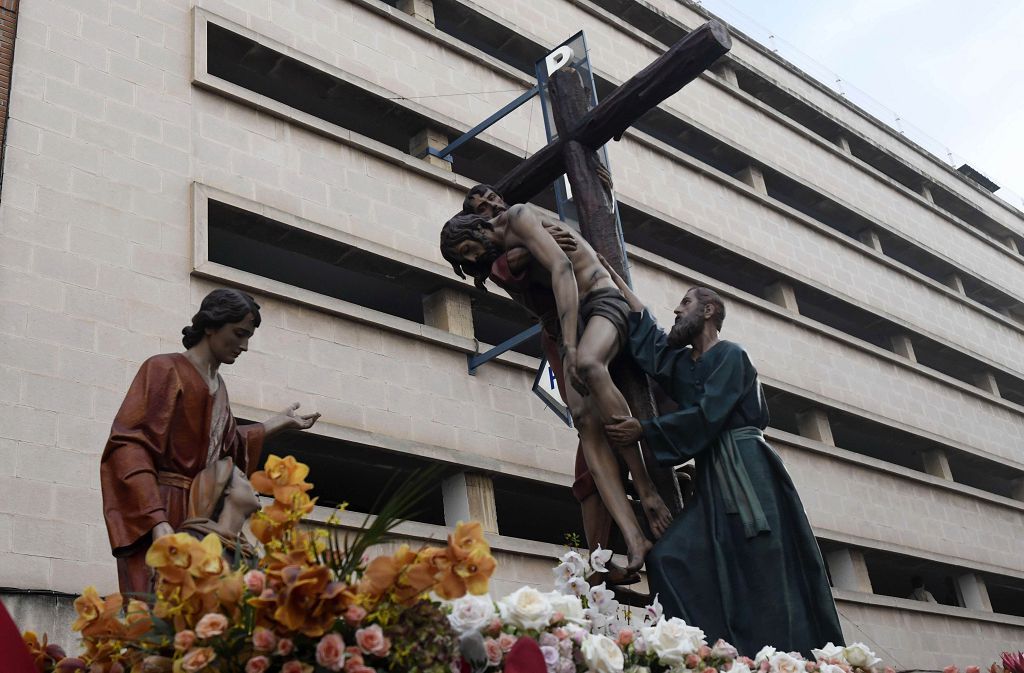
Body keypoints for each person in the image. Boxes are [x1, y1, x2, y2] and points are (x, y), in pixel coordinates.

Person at [600, 259, 845, 655]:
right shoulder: (685, 363)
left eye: (685, 303)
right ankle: (702, 655)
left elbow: (709, 414)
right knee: (668, 559)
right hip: (714, 475)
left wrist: (644, 430)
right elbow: (654, 346)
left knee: (763, 570)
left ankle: (782, 658)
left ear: (709, 310)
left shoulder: (733, 356)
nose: (677, 311)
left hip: (748, 471)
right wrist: (615, 284)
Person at [441, 186, 672, 573]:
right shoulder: (499, 263)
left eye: (468, 248)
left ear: (477, 226)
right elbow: (535, 273)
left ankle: (648, 492)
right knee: (585, 424)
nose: (473, 257)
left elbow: (564, 268)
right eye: (465, 259)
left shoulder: (519, 214)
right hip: (570, 326)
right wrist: (534, 251)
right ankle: (635, 539)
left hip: (598, 301)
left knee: (591, 366)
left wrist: (568, 347)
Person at [100, 288, 321, 595]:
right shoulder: (165, 369)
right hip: (164, 503)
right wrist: (156, 521)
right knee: (161, 607)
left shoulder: (219, 386)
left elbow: (226, 451)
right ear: (210, 325)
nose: (243, 346)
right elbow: (130, 447)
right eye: (239, 333)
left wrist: (276, 425)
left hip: (202, 514)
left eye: (248, 337)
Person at [179, 457, 260, 565]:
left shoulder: (251, 555)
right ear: (224, 487)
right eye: (243, 477)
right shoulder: (192, 541)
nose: (254, 486)